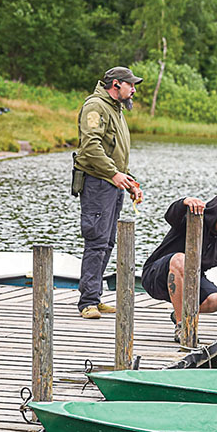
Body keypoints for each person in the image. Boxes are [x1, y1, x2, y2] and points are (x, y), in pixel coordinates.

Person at [73, 66, 144, 319]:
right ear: (116, 84)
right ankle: (87, 303)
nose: (133, 90)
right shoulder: (96, 107)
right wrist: (114, 174)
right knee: (96, 241)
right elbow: (90, 146)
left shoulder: (116, 109)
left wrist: (129, 181)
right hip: (97, 184)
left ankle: (94, 296)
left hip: (112, 183)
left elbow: (115, 153)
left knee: (108, 242)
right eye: (130, 85)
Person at [142, 195, 217, 345]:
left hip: (189, 281)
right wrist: (184, 202)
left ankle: (180, 314)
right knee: (181, 259)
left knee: (216, 299)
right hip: (155, 277)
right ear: (216, 214)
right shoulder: (191, 222)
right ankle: (182, 326)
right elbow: (170, 216)